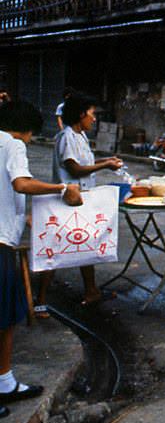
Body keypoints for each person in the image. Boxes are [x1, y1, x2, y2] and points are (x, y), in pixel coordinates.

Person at [0, 101, 82, 418]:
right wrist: (62, 189)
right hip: (1, 244)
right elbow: (20, 183)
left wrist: (25, 218)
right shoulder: (14, 145)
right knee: (4, 317)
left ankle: (5, 381)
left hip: (6, 236)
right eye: (32, 133)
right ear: (25, 129)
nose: (32, 139)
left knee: (6, 318)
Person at [36, 94, 122, 314]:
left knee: (87, 243)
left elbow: (86, 164)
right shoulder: (66, 137)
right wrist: (104, 167)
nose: (94, 119)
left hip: (82, 199)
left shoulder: (80, 135)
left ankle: (92, 290)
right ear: (81, 114)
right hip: (66, 199)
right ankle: (41, 300)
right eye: (92, 114)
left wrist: (107, 161)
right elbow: (74, 169)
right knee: (55, 249)